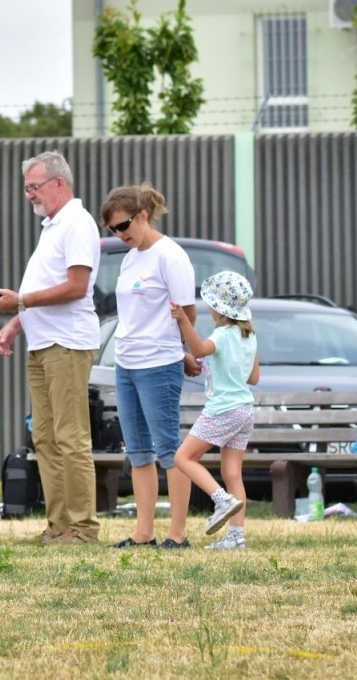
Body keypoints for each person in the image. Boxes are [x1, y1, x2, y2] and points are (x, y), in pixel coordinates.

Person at [0, 151, 102, 546]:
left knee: (71, 437)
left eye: (33, 187)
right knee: (46, 439)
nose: (29, 195)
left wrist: (19, 302)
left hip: (67, 344)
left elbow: (76, 286)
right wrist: (17, 324)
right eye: (26, 188)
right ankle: (58, 527)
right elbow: (50, 285)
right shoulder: (52, 225)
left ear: (59, 183)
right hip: (43, 342)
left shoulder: (77, 223)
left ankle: (83, 529)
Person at [100, 183, 201, 549]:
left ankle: (177, 534)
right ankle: (144, 533)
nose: (120, 234)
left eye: (124, 225)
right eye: (113, 229)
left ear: (143, 216)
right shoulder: (130, 258)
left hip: (158, 363)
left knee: (170, 450)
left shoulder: (170, 256)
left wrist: (182, 351)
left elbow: (185, 312)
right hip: (126, 363)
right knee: (138, 451)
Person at [171, 271, 259, 551]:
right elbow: (254, 377)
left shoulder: (222, 334)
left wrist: (184, 320)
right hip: (245, 409)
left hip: (223, 408)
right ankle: (236, 538)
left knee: (183, 458)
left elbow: (199, 348)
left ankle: (221, 500)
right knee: (232, 471)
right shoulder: (249, 336)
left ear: (217, 308)